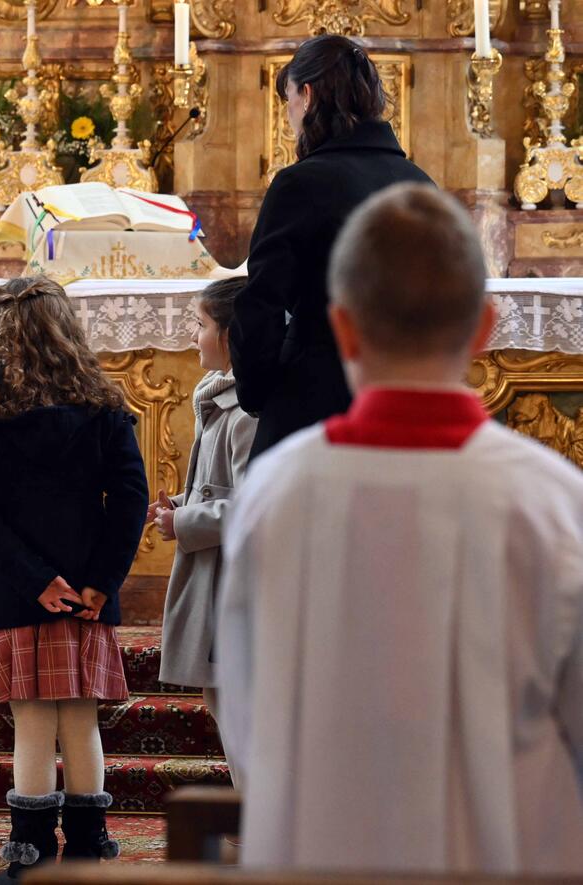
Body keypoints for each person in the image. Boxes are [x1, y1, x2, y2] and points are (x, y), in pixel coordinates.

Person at [216, 183, 583, 874]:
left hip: (319, 852)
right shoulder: (555, 502)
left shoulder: (275, 493)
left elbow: (246, 714)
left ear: (343, 326)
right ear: (484, 328)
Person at [0, 276, 149, 883]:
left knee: (33, 721)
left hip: (16, 592)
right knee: (79, 719)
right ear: (67, 331)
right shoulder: (103, 406)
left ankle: (29, 859)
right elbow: (131, 498)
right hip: (87, 593)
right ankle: (88, 851)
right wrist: (100, 581)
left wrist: (35, 580)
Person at [230, 35, 433, 459]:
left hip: (314, 408)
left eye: (287, 99)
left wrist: (259, 395)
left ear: (306, 95)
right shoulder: (419, 183)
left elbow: (261, 305)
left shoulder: (299, 184)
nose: (288, 114)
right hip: (404, 408)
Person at [150, 277, 255, 782]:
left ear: (232, 336)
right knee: (226, 706)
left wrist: (185, 520)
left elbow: (255, 505)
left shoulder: (246, 414)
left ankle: (264, 827)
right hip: (217, 572)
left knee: (241, 710)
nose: (193, 336)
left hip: (235, 583)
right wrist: (186, 505)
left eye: (201, 325)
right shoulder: (222, 401)